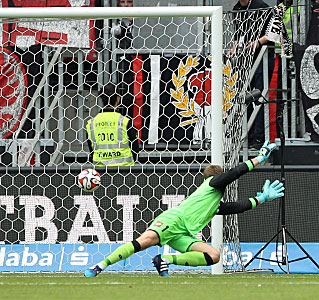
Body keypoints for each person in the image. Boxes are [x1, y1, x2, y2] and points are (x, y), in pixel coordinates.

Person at [84, 141, 283, 277]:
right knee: (143, 241)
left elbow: (237, 207)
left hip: (184, 233)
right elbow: (235, 173)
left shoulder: (213, 204)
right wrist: (259, 159)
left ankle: (164, 259)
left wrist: (262, 198)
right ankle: (100, 265)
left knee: (213, 256)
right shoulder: (213, 183)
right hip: (173, 220)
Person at [230, 0, 276, 148]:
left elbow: (274, 31)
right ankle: (247, 136)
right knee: (246, 98)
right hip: (245, 60)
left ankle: (259, 137)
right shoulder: (236, 9)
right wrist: (234, 48)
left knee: (260, 96)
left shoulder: (262, 6)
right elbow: (238, 35)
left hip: (262, 58)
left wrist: (258, 42)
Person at [85, 84, 139, 166]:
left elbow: (91, 149)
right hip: (125, 171)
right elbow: (135, 149)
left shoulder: (91, 123)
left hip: (100, 170)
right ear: (118, 98)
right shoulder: (125, 122)